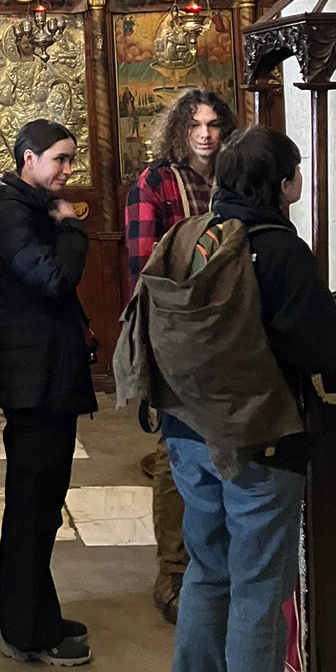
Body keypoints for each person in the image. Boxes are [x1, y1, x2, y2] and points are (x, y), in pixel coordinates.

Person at [154, 127, 336, 672]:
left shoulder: (189, 235)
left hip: (188, 434)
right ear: (284, 183)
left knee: (208, 572)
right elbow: (322, 350)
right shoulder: (280, 250)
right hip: (259, 444)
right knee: (261, 586)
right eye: (294, 173)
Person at [0, 119, 97, 666]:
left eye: (71, 160)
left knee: (43, 505)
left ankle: (35, 611)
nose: (69, 171)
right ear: (28, 158)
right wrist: (72, 230)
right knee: (31, 506)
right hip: (35, 380)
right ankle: (26, 629)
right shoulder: (11, 213)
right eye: (60, 160)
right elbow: (52, 280)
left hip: (48, 374)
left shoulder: (26, 208)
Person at [124, 88, 236, 625]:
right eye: (195, 124)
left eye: (214, 124)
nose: (206, 134)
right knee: (177, 450)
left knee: (221, 447)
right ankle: (172, 571)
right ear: (179, 129)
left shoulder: (232, 178)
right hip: (176, 327)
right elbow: (145, 269)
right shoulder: (156, 181)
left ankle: (216, 564)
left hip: (230, 330)